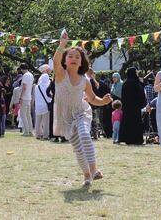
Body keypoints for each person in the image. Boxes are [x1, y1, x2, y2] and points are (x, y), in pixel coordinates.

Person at [52, 30, 113, 187]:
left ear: (82, 62)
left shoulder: (85, 80)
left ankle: (93, 170)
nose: (73, 59)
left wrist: (104, 101)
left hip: (81, 112)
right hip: (65, 117)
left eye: (77, 57)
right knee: (78, 148)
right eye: (70, 56)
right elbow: (55, 61)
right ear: (65, 61)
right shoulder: (60, 74)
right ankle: (86, 176)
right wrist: (62, 45)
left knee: (85, 135)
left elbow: (92, 99)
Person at [121, 67, 147, 145]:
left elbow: (122, 96)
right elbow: (141, 93)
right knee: (136, 123)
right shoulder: (136, 83)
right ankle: (136, 139)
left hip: (127, 108)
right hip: (135, 108)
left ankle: (127, 139)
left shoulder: (125, 83)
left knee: (128, 123)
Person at [34, 64, 52, 140]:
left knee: (38, 121)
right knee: (46, 121)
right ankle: (45, 135)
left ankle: (37, 134)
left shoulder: (37, 86)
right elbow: (49, 95)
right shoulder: (47, 85)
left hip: (38, 105)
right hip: (45, 105)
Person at [18, 65, 34, 137]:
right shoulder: (31, 75)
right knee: (28, 115)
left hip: (24, 97)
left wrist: (20, 97)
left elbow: (24, 87)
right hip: (29, 97)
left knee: (23, 114)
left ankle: (26, 131)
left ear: (22, 69)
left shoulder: (25, 75)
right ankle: (30, 131)